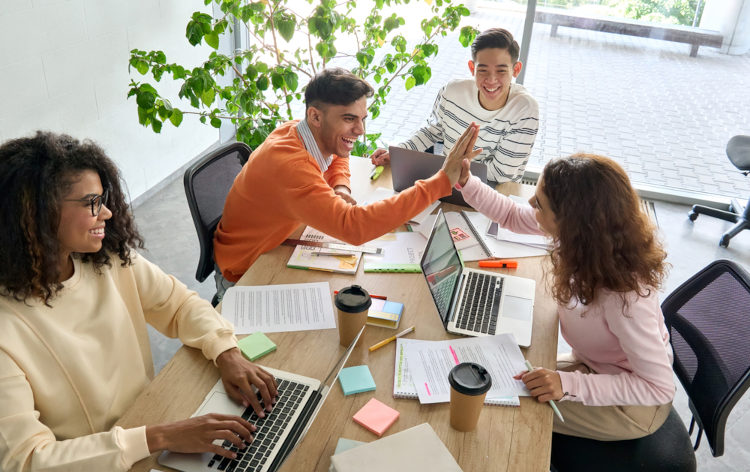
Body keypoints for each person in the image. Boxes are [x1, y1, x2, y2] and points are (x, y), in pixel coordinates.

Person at [0, 132, 280, 471]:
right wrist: (159, 438)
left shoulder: (110, 259)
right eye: (91, 203)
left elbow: (179, 305)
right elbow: (25, 460)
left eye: (103, 199)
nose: (106, 212)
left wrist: (227, 351)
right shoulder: (7, 328)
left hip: (150, 423)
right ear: (36, 214)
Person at [457, 153, 675, 441]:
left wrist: (567, 383)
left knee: (501, 407)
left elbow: (658, 387)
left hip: (633, 406)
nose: (531, 204)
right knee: (496, 381)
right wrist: (466, 182)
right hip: (593, 368)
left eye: (539, 203)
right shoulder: (586, 240)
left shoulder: (626, 298)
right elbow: (510, 214)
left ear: (571, 222)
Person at [213, 67, 480, 296]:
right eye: (349, 119)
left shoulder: (298, 131)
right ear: (315, 117)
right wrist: (440, 181)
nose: (360, 130)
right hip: (244, 273)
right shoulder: (290, 165)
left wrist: (339, 186)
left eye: (362, 118)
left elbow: (336, 154)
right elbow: (354, 227)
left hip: (277, 244)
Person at [370, 27, 539, 183]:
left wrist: (449, 167)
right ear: (472, 68)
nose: (492, 80)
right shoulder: (451, 91)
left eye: (501, 71)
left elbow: (502, 174)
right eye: (483, 70)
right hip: (448, 183)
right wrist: (399, 152)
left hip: (493, 192)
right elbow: (432, 132)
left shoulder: (525, 109)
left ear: (516, 70)